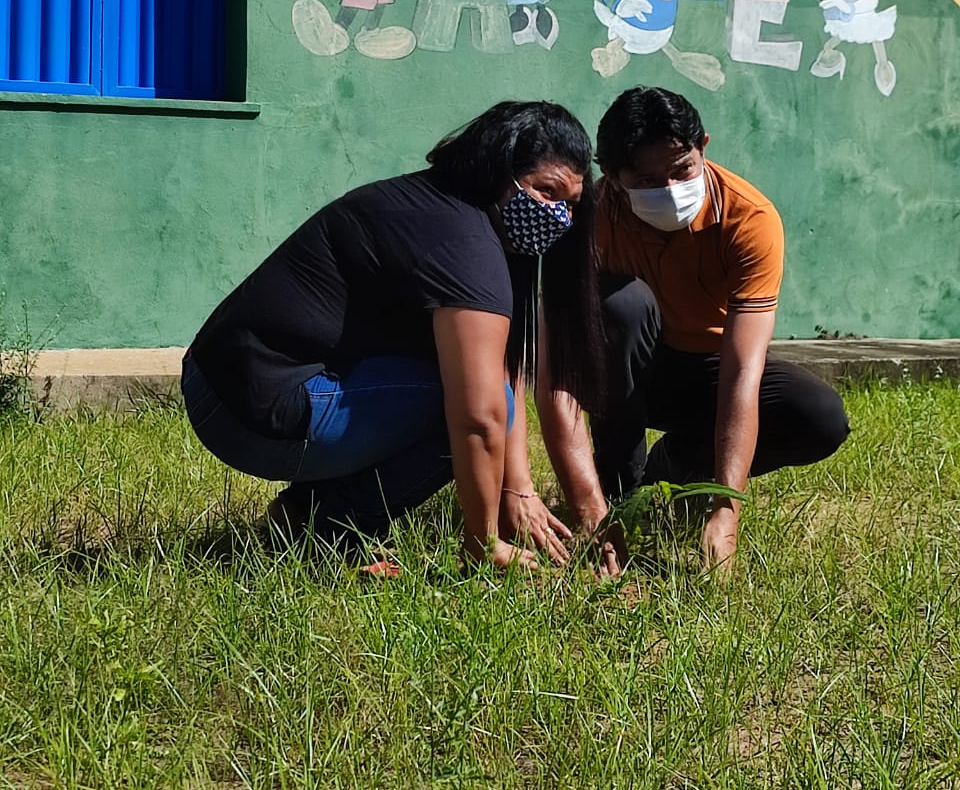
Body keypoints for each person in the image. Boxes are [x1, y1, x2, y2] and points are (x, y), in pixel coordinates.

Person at [181, 101, 609, 570]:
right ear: (499, 171)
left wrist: (517, 489)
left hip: (220, 388)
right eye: (546, 192)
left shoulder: (435, 205)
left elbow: (504, 366)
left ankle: (305, 515)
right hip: (256, 415)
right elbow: (483, 415)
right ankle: (328, 526)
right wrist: (485, 542)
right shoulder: (464, 242)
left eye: (570, 204)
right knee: (475, 404)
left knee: (480, 389)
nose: (559, 217)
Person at [536, 86, 850, 573]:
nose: (668, 189)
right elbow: (562, 371)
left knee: (819, 416)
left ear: (703, 145)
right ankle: (621, 490)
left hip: (710, 369)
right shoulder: (590, 217)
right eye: (645, 179)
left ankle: (680, 467)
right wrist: (590, 509)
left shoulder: (750, 219)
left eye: (682, 169)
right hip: (632, 368)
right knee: (623, 306)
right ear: (613, 178)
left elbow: (743, 369)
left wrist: (726, 508)